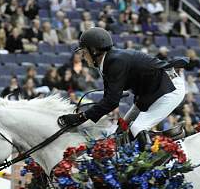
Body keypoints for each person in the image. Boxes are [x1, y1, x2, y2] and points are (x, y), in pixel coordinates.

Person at [56, 27, 186, 148]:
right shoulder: (108, 62)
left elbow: (111, 102)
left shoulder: (115, 62)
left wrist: (80, 117)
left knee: (137, 127)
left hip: (168, 89)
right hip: (152, 92)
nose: (83, 57)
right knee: (123, 126)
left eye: (84, 52)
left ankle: (167, 152)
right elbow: (109, 100)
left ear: (94, 51)